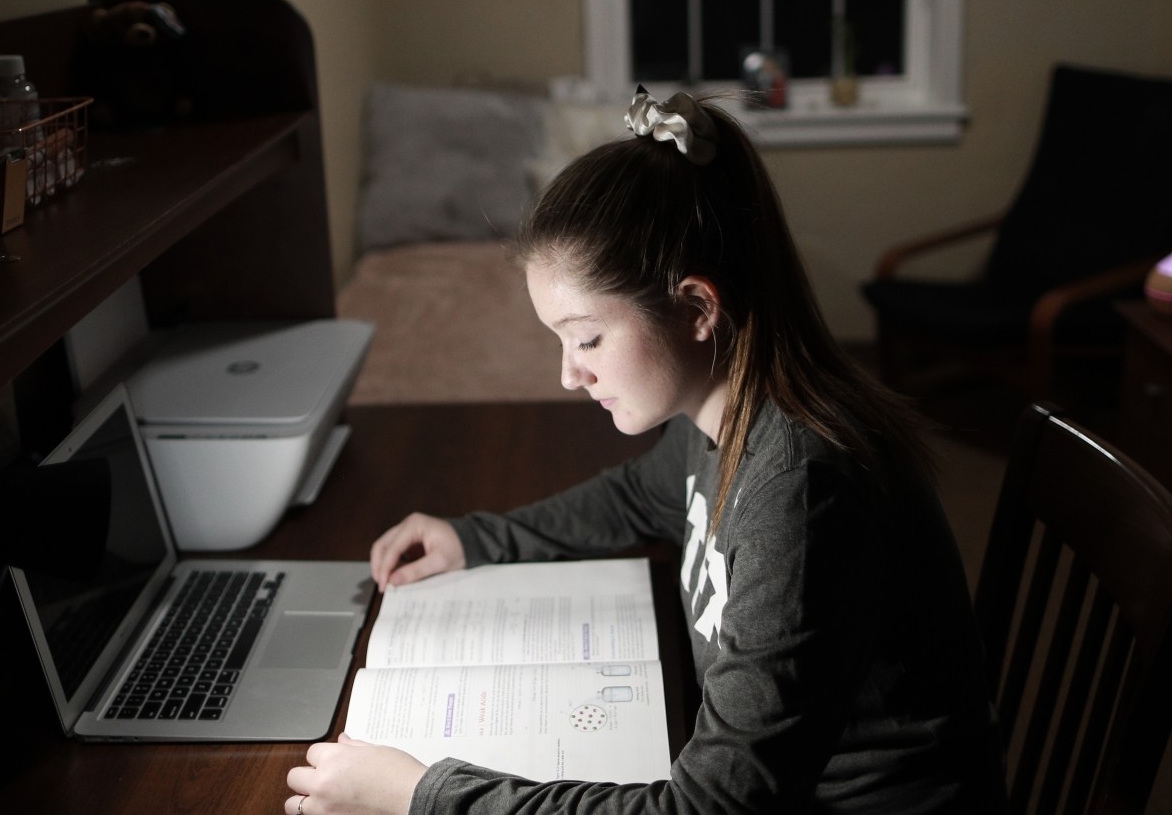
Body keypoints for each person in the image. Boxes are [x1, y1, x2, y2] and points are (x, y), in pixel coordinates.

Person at [287, 90, 1006, 815]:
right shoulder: (722, 415)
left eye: (588, 338)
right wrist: (473, 537)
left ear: (697, 310)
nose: (569, 374)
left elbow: (714, 809)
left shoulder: (801, 487)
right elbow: (635, 496)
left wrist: (423, 795)